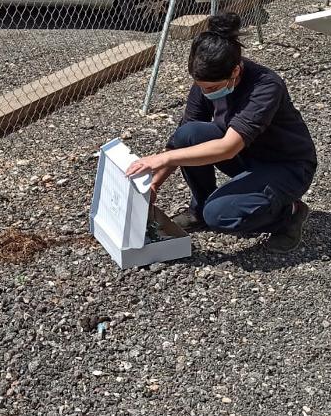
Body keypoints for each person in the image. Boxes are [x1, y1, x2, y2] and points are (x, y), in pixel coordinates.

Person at [126, 13, 317, 254]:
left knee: (221, 215)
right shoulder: (207, 82)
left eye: (212, 88)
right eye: (201, 87)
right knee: (188, 134)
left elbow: (228, 147)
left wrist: (162, 159)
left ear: (235, 71)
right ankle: (200, 207)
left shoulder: (266, 86)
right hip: (247, 155)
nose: (206, 93)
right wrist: (154, 184)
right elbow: (181, 139)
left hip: (287, 166)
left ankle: (289, 215)